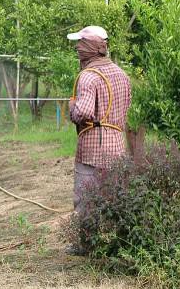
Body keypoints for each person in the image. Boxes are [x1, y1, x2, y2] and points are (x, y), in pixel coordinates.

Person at [67, 26, 131, 253]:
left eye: (80, 44)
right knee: (116, 196)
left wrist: (71, 107)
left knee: (85, 199)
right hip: (117, 145)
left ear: (90, 49)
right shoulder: (122, 74)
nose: (76, 48)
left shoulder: (87, 76)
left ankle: (86, 246)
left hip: (92, 147)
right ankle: (121, 244)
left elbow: (82, 112)